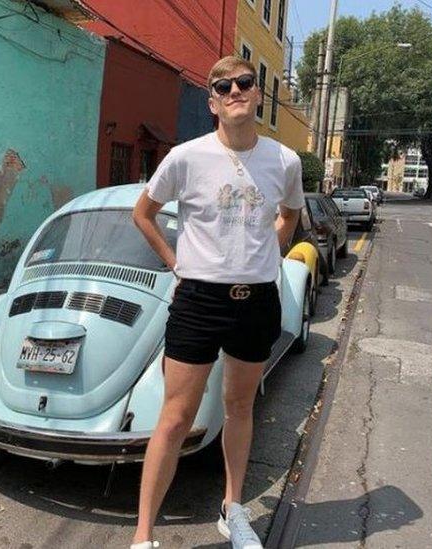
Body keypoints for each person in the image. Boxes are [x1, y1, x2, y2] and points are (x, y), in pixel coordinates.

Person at [130, 56, 305, 549]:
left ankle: (233, 509)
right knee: (175, 417)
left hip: (257, 302)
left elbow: (290, 213)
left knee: (240, 407)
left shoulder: (285, 161)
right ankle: (143, 536)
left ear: (257, 95)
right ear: (211, 101)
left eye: (244, 83)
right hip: (199, 301)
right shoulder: (186, 157)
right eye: (222, 86)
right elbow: (143, 213)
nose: (234, 91)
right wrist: (176, 263)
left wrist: (269, 251)